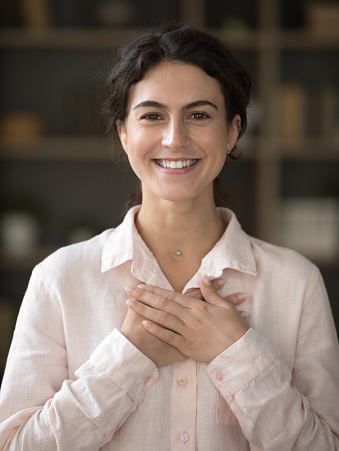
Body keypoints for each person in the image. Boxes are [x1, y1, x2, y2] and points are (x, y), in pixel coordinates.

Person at [0, 23, 338, 451]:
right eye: (152, 116)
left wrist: (237, 352)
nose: (175, 138)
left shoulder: (297, 283)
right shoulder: (59, 278)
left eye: (198, 115)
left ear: (233, 131)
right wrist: (129, 356)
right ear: (124, 132)